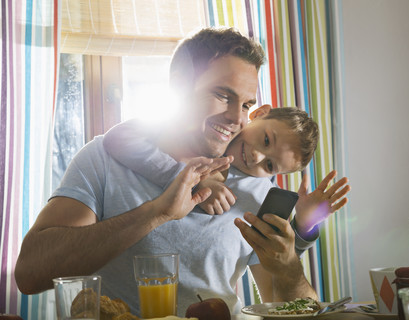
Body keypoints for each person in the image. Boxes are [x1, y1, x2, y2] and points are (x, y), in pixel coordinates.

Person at [14, 27, 337, 316]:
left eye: (247, 105)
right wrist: (156, 212)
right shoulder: (104, 158)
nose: (237, 118)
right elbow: (30, 274)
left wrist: (290, 267)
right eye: (223, 95)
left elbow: (287, 306)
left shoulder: (257, 190)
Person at [103, 105, 350, 240]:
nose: (257, 157)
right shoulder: (196, 133)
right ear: (259, 113)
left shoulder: (261, 197)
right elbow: (119, 137)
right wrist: (194, 181)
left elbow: (273, 261)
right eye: (266, 140)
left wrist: (304, 224)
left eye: (270, 166)